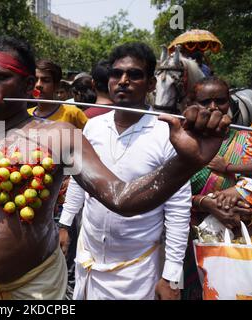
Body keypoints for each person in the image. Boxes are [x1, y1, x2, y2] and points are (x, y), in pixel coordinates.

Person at [0, 36, 230, 300]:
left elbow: (121, 197)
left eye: (0, 77)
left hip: (36, 287)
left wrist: (186, 162)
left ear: (27, 86)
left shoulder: (59, 138)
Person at [58, 42, 192, 300]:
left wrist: (172, 275)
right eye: (116, 74)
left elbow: (177, 209)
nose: (123, 81)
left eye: (134, 75)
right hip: (89, 259)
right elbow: (79, 180)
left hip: (137, 269)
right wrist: (65, 225)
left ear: (151, 84)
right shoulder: (93, 127)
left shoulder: (167, 134)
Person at [182, 77, 252, 299]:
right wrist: (205, 203)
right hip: (187, 239)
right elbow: (169, 195)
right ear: (191, 104)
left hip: (238, 238)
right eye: (205, 102)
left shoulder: (247, 138)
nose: (213, 108)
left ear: (230, 102)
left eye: (220, 101)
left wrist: (242, 199)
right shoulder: (180, 142)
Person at [28, 59, 88, 129]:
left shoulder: (72, 114)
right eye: (35, 80)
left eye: (46, 80)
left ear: (56, 85)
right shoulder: (26, 114)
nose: (38, 85)